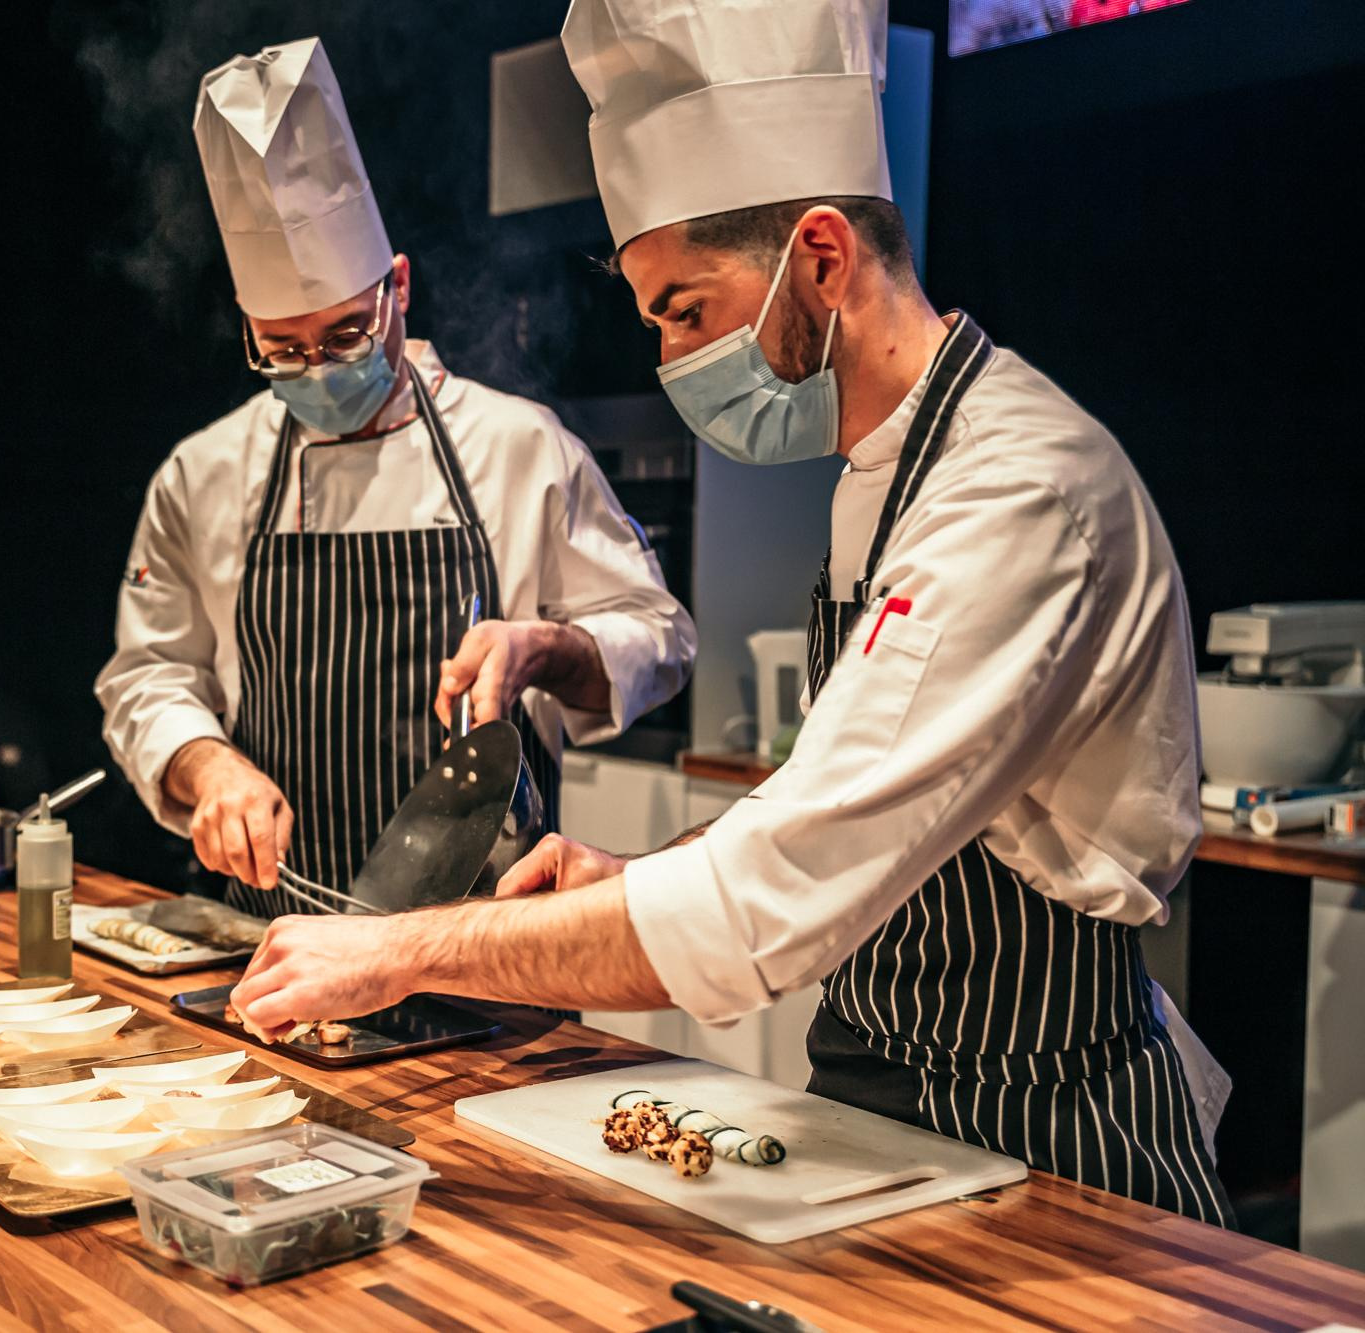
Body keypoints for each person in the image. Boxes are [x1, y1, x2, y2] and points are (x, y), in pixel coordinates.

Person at [230, 0, 1232, 1226]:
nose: (670, 360)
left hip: (1045, 1139)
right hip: (883, 1108)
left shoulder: (1014, 489)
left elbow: (779, 892)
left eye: (685, 312)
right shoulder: (886, 468)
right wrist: (634, 876)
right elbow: (856, 815)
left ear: (820, 257)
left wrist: (398, 948)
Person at [96, 38, 694, 916]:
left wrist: (547, 647)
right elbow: (148, 675)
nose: (320, 369)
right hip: (272, 947)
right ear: (247, 328)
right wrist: (205, 762)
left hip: (490, 947)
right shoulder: (203, 474)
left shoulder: (520, 449)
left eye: (343, 336)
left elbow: (661, 638)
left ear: (398, 289)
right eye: (283, 351)